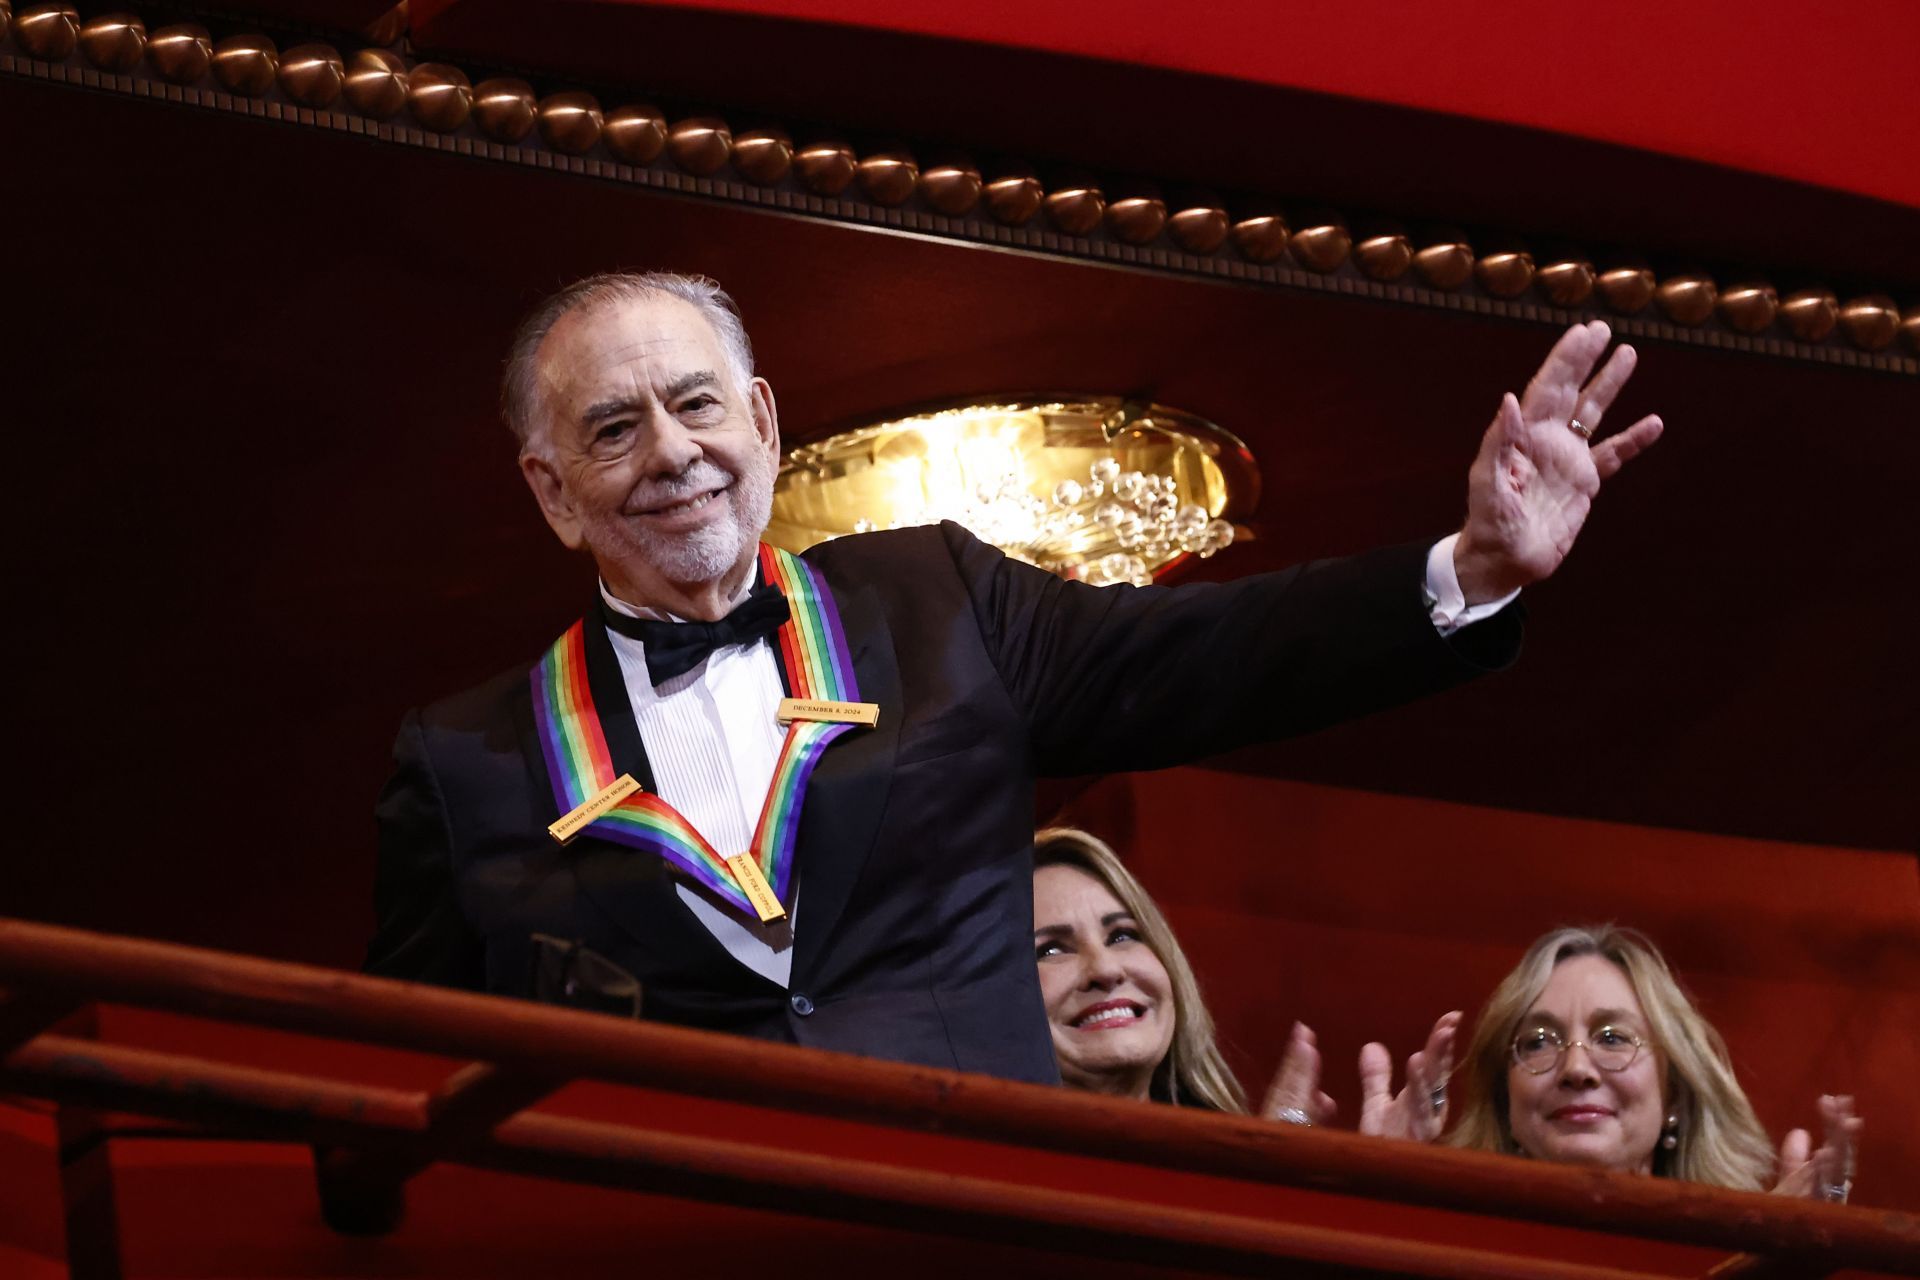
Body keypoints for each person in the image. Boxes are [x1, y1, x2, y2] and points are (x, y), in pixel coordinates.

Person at [365, 270, 1662, 1084]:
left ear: (762, 421)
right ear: (551, 494)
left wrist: (1472, 566)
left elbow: (1212, 658)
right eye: (612, 428)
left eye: (697, 406)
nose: (672, 452)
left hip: (982, 1223)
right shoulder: (467, 757)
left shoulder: (937, 597)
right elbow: (398, 1081)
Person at [1033, 826, 1453, 1140]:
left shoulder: (1227, 1159)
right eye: (1050, 950)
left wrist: (1374, 1185)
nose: (1105, 968)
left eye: (1123, 935)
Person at [1447, 924, 1863, 1200]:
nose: (1576, 1068)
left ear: (1676, 1097)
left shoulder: (1737, 1259)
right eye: (1538, 1042)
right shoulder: (1448, 1248)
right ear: (1505, 1101)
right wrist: (1382, 1200)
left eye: (1612, 1037)